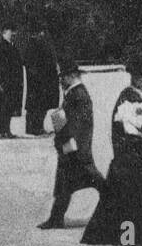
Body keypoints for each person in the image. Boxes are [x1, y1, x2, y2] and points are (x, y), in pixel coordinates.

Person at [81, 50, 142, 246]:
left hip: (128, 162)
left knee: (122, 205)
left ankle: (128, 239)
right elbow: (140, 132)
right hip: (134, 163)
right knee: (132, 205)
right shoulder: (131, 98)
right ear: (139, 77)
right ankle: (131, 239)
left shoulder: (131, 96)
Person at [37, 59, 104, 229]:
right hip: (73, 149)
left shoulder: (79, 95)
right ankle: (56, 218)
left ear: (72, 76)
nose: (60, 81)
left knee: (93, 182)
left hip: (75, 150)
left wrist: (67, 147)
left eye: (63, 77)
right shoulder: (74, 93)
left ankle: (119, 210)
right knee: (65, 185)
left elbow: (77, 125)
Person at [0, 25, 24, 139]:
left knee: (9, 107)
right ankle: (1, 131)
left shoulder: (11, 46)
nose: (13, 34)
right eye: (10, 31)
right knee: (3, 107)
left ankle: (6, 130)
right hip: (3, 83)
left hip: (11, 82)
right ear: (4, 32)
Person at [23, 29, 60, 137]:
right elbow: (31, 63)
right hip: (38, 81)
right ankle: (34, 128)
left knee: (40, 105)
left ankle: (37, 127)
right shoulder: (35, 44)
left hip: (43, 79)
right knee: (36, 106)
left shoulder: (41, 43)